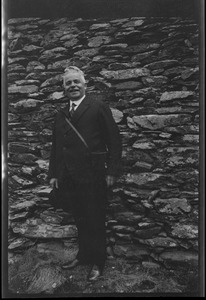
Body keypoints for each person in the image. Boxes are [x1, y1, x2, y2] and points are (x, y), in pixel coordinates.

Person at [48, 66, 122, 281]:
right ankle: (83, 256)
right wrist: (54, 174)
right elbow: (57, 147)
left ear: (84, 85)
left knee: (95, 218)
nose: (73, 86)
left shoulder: (98, 107)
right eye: (68, 83)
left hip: (93, 174)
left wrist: (113, 171)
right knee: (80, 218)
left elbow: (114, 141)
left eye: (76, 82)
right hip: (69, 177)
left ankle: (98, 262)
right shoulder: (62, 114)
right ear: (63, 88)